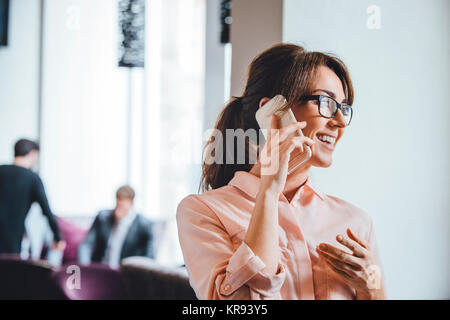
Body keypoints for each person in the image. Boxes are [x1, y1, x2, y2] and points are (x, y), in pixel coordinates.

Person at [176, 44, 386, 300]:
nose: (340, 122)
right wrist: (268, 190)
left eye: (343, 108)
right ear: (273, 112)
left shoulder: (356, 222)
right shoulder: (202, 211)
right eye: (326, 102)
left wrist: (371, 289)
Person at [0, 139, 65, 254]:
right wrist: (58, 238)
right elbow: (47, 211)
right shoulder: (32, 179)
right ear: (32, 154)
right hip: (11, 247)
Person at [79, 185, 155, 268]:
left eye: (123, 207)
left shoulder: (144, 225)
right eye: (118, 205)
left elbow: (149, 257)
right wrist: (85, 267)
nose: (119, 210)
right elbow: (86, 245)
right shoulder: (102, 218)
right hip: (102, 270)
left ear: (131, 203)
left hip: (126, 273)